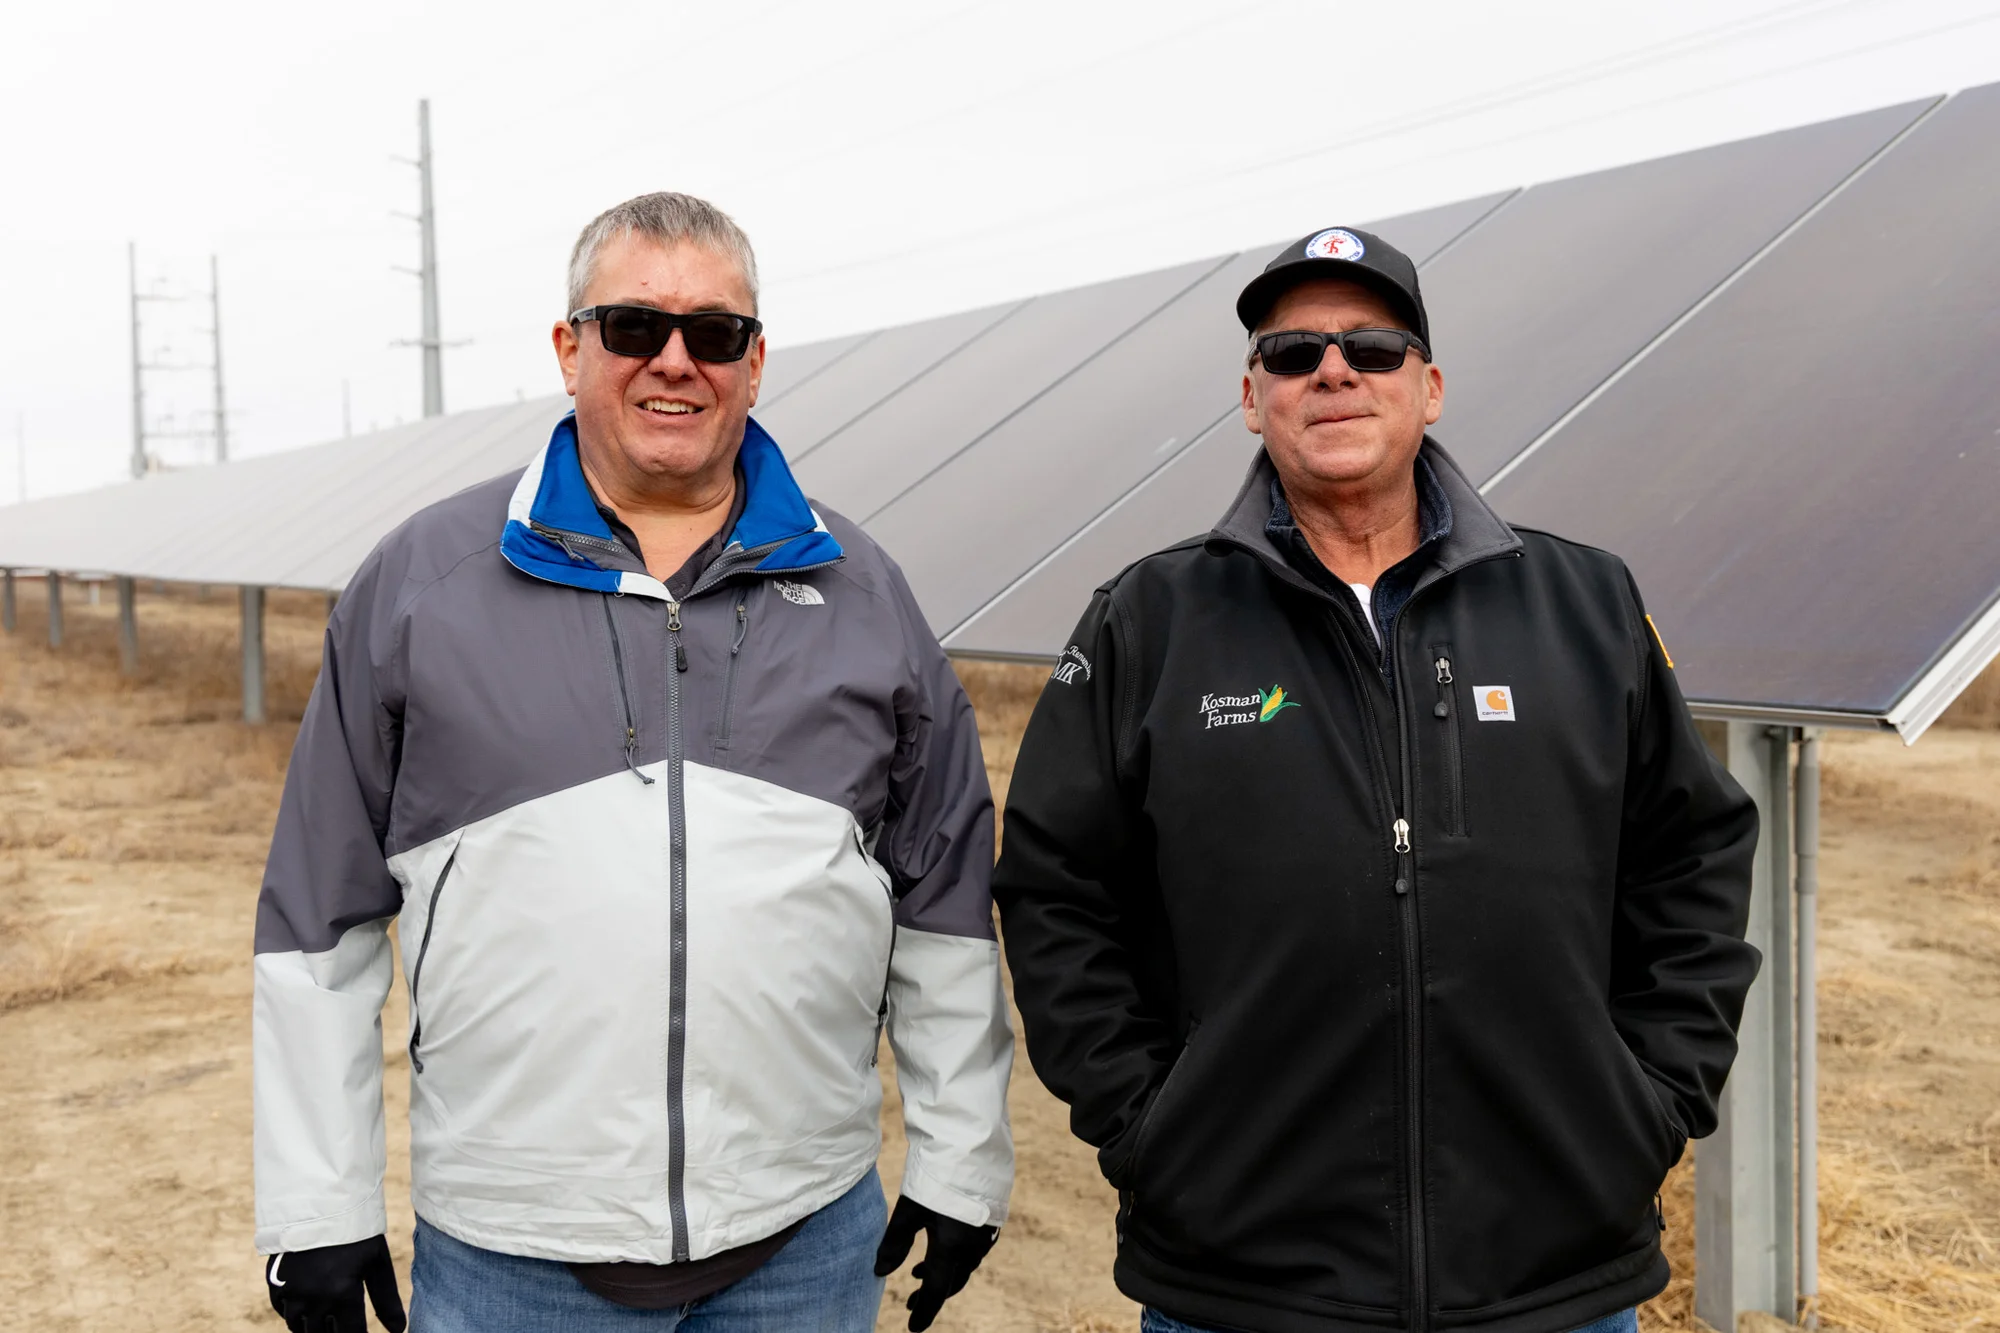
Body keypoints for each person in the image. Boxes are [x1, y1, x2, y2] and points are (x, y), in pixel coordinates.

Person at [252, 192, 1013, 1333]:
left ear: (754, 363)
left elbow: (943, 902)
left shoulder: (863, 591)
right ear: (568, 349)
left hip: (801, 1241)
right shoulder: (422, 583)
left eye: (714, 334)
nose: (675, 361)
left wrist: (960, 1164)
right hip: (514, 1249)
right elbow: (321, 913)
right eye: (630, 327)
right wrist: (317, 1205)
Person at [992, 225, 1760, 1333]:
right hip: (1241, 1283)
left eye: (1373, 346)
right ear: (1251, 397)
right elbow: (1057, 890)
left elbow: (1689, 856)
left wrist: (1648, 1101)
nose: (1334, 371)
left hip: (1550, 1279)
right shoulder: (1146, 622)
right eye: (1292, 352)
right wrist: (1147, 1126)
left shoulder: (1582, 604)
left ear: (1429, 385)